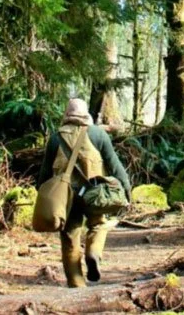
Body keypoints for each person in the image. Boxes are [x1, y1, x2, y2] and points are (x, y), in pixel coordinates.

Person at [36, 98, 132, 288]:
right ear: (86, 114)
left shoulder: (56, 138)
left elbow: (45, 173)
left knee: (70, 238)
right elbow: (114, 165)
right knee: (98, 224)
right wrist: (126, 189)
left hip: (66, 197)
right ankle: (93, 254)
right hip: (95, 193)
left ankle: (76, 284)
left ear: (67, 115)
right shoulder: (98, 134)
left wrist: (43, 194)